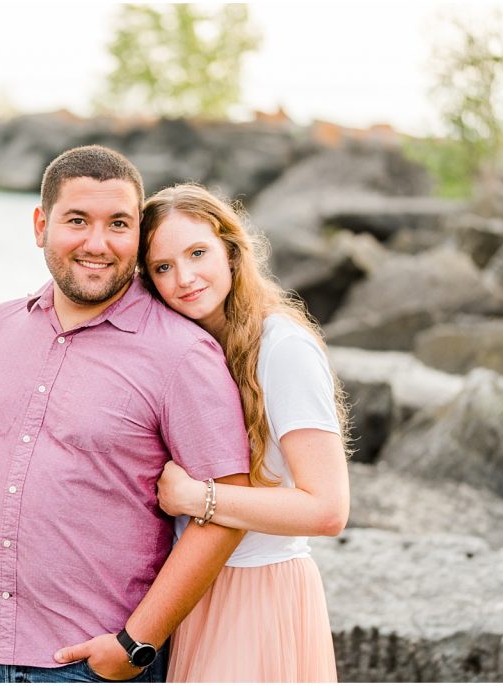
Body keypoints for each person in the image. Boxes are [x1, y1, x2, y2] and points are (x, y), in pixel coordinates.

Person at [0, 146, 251, 683]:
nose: (97, 243)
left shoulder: (182, 354)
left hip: (93, 664)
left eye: (118, 224)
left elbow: (227, 506)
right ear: (42, 225)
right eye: (77, 221)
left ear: (138, 235)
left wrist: (136, 643)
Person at [138, 182, 350, 682]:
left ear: (231, 252)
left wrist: (198, 498)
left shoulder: (282, 348)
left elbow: (327, 509)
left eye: (197, 253)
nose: (185, 278)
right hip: (195, 590)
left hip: (259, 593)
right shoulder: (188, 349)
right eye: (163, 267)